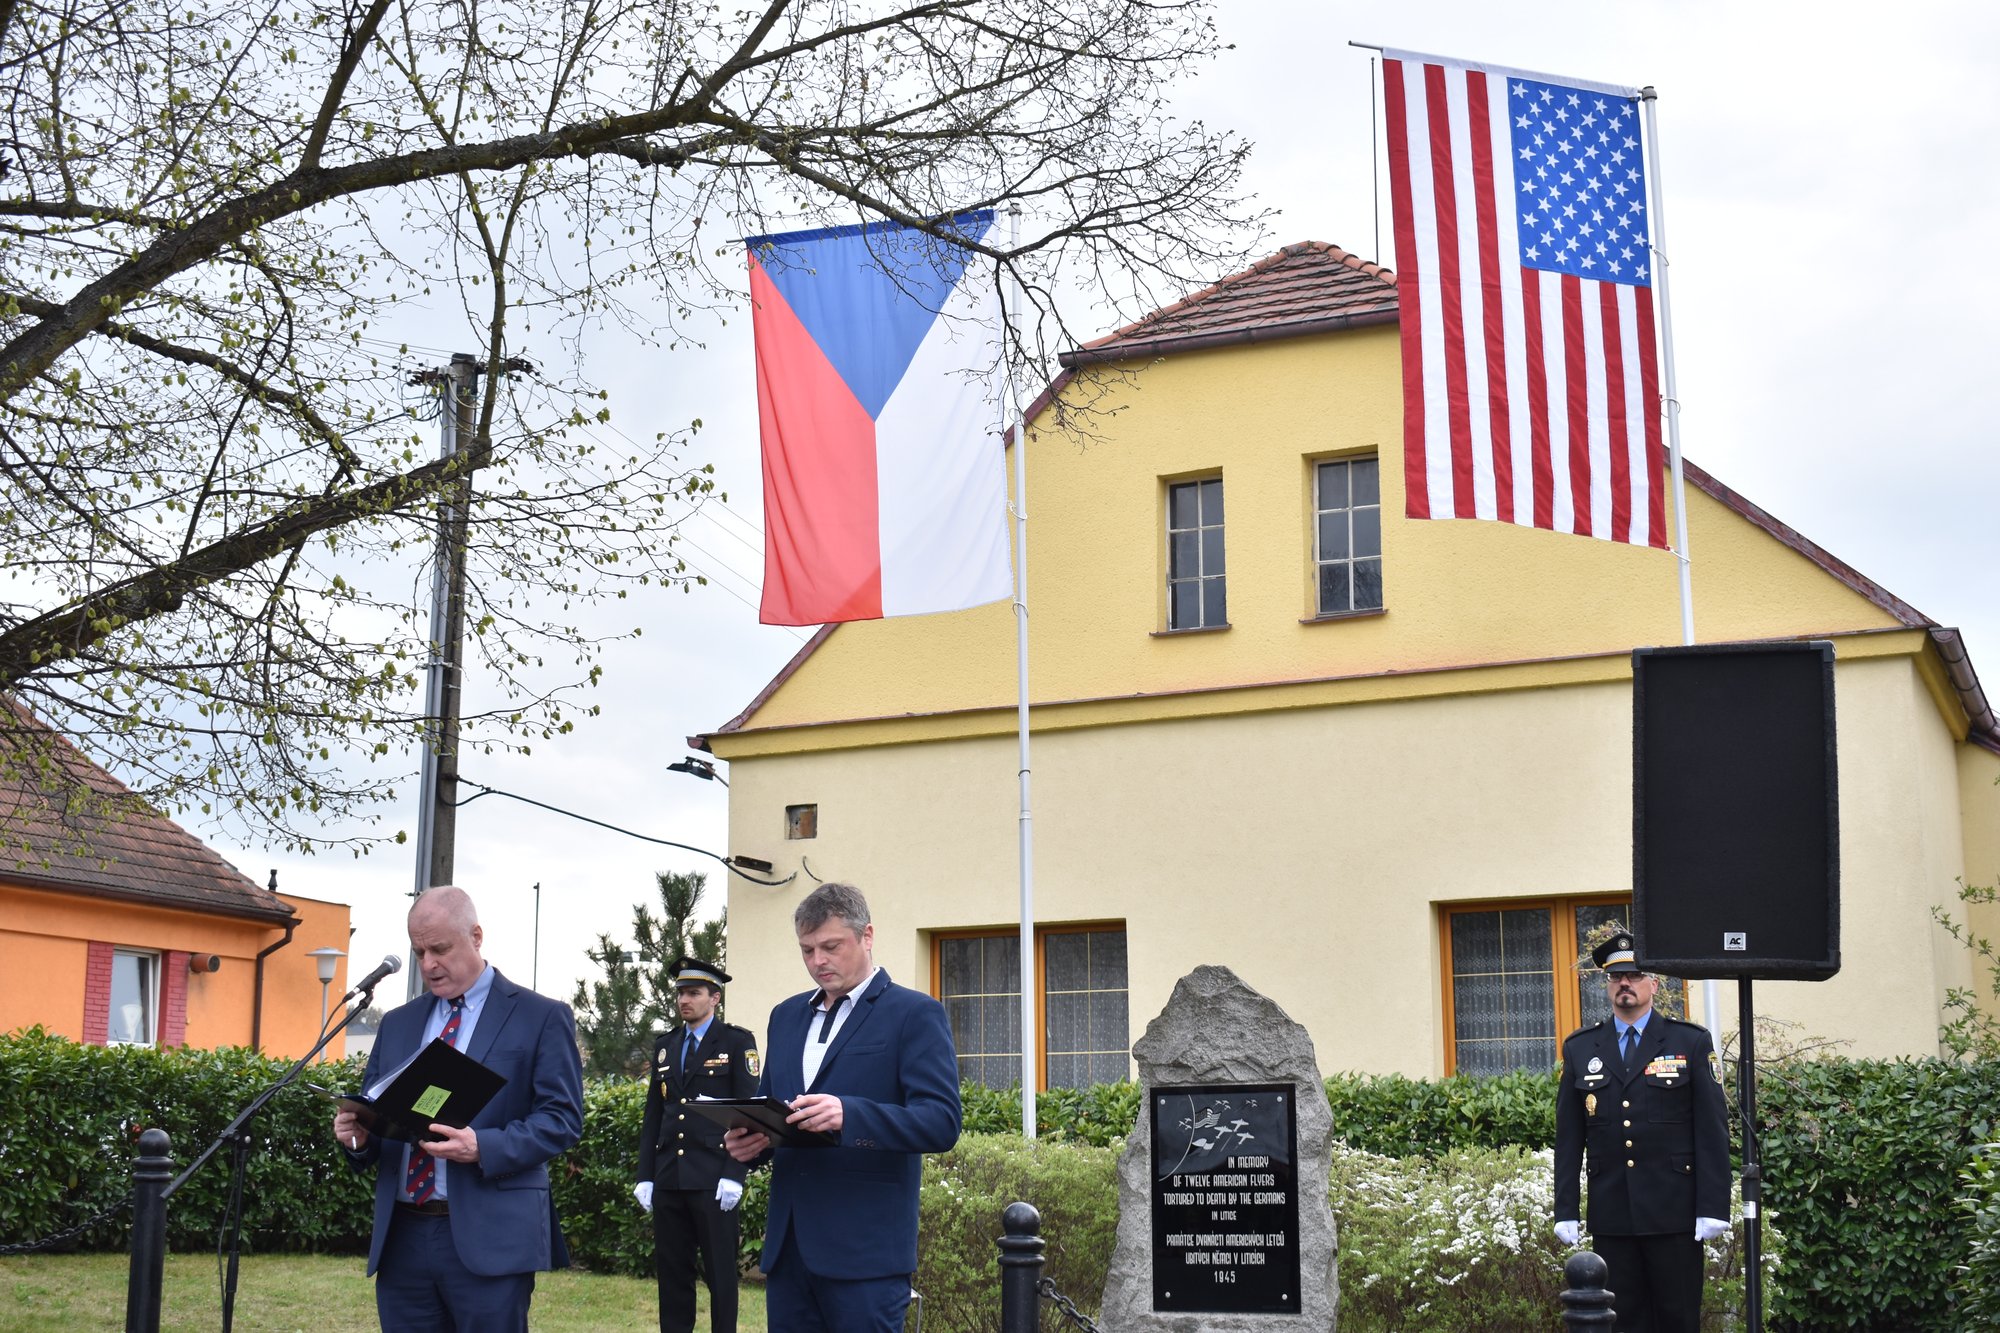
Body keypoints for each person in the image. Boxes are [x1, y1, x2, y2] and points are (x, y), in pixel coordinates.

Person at [332, 885, 584, 1333]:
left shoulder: (539, 1016)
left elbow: (561, 1120)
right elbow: (378, 1114)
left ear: (476, 936)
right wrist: (358, 1137)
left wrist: (481, 1147)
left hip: (491, 1238)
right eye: (419, 952)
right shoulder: (398, 1022)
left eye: (441, 949)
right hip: (403, 1240)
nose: (429, 963)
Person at [723, 882, 961, 1333]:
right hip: (789, 1251)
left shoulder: (914, 1013)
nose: (818, 961)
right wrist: (755, 1141)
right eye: (807, 950)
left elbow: (942, 1122)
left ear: (867, 935)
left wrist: (851, 1114)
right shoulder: (785, 1016)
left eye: (831, 946)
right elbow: (780, 1110)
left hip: (866, 1255)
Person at [1553, 931, 1731, 1333]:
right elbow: (1568, 1138)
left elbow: (1712, 1131)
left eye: (1634, 975)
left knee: (1677, 1319)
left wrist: (1714, 1206)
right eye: (1617, 977)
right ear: (1608, 985)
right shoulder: (1582, 1048)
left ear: (1654, 983)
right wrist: (1565, 1209)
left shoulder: (1689, 1042)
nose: (1625, 984)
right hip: (1613, 1216)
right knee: (1622, 1320)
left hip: (1675, 1215)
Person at [635, 955, 760, 1333]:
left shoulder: (736, 1042)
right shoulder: (666, 1046)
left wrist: (735, 1175)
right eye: (679, 993)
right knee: (673, 1275)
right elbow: (654, 1116)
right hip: (670, 1177)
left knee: (721, 1276)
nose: (683, 1000)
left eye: (693, 993)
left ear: (715, 998)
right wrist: (646, 1175)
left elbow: (747, 1114)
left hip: (713, 1178)